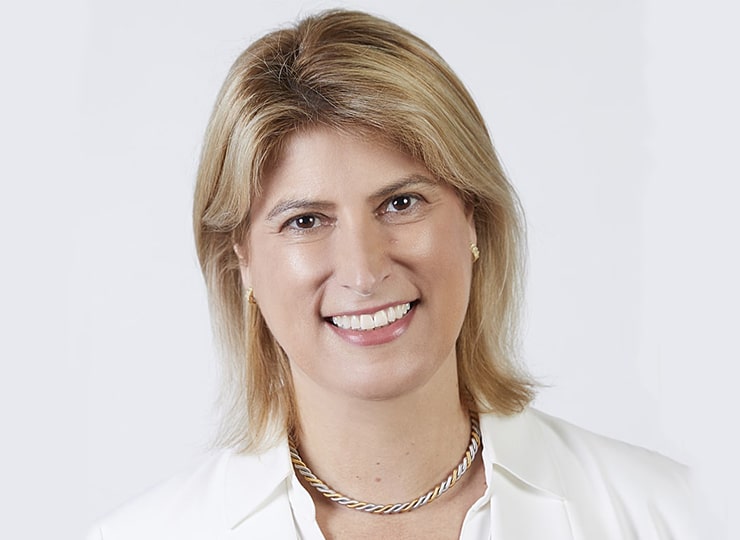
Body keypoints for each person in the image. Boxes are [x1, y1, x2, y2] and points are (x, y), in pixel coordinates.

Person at [88, 9, 696, 539]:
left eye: (401, 203)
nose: (363, 271)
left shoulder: (677, 516)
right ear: (241, 259)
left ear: (473, 219)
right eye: (305, 221)